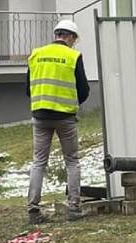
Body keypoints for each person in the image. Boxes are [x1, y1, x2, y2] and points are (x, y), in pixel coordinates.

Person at [26, 18, 90, 224]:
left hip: (40, 116)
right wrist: (70, 102)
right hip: (65, 117)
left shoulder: (36, 54)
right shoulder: (73, 56)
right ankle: (74, 208)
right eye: (74, 39)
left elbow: (28, 88)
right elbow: (84, 90)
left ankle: (33, 211)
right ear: (70, 37)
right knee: (72, 161)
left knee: (38, 162)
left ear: (56, 35)